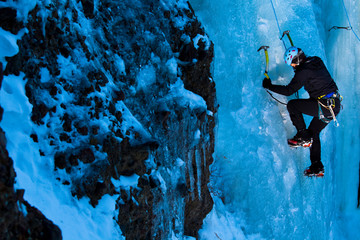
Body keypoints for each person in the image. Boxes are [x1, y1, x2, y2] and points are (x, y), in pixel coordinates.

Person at [262, 46, 341, 177]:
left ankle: (303, 137)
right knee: (314, 132)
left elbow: (289, 90)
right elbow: (314, 77)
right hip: (334, 105)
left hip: (326, 106)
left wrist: (269, 86)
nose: (292, 66)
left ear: (297, 60)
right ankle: (317, 166)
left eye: (292, 63)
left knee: (293, 105)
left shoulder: (303, 71)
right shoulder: (316, 60)